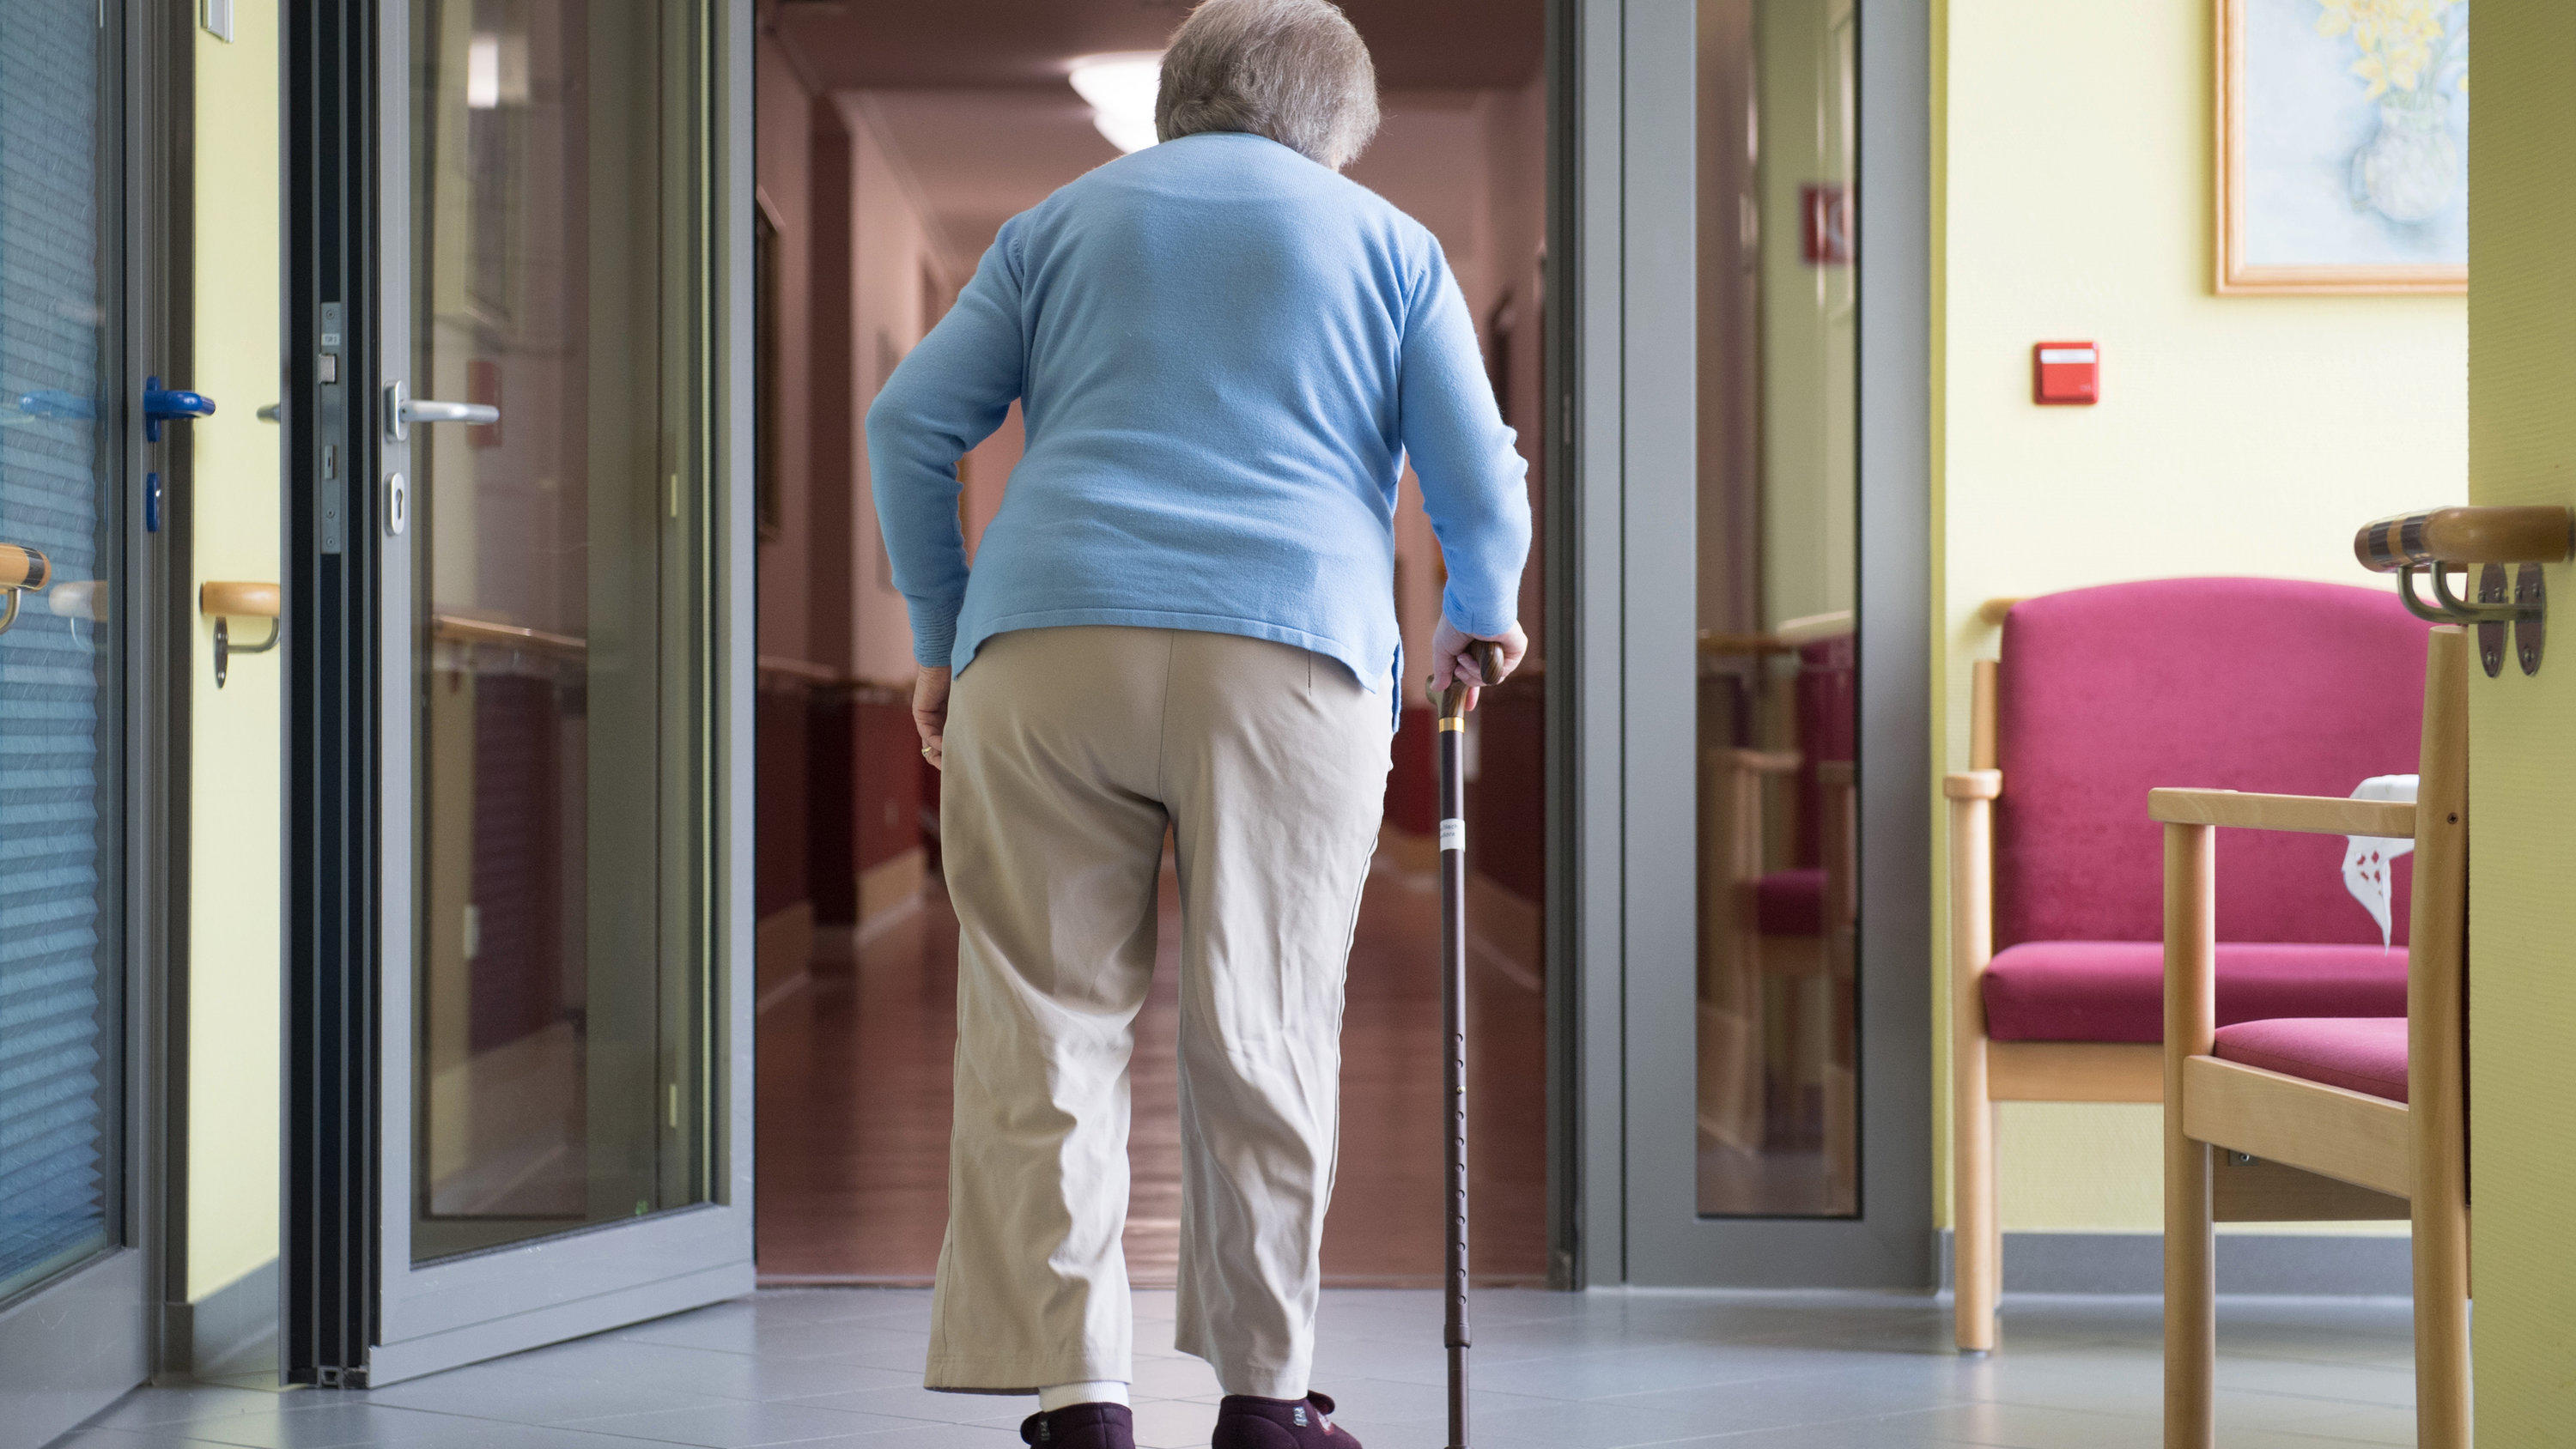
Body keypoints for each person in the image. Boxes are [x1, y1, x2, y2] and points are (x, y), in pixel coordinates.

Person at [866, 1, 1529, 1445]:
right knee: (1266, 1023)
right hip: (1288, 663)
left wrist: (939, 634)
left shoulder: (1053, 224)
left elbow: (908, 423)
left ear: (1178, 97)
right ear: (1341, 121)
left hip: (1043, 652)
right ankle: (1266, 1401)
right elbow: (1478, 475)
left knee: (1045, 1026)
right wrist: (1480, 610)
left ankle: (1077, 1397)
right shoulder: (1389, 245)